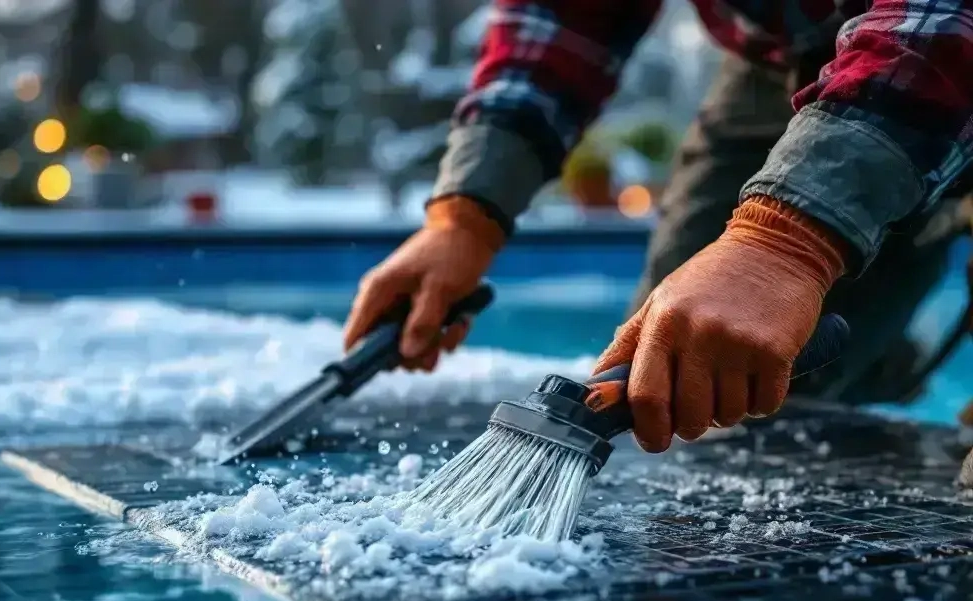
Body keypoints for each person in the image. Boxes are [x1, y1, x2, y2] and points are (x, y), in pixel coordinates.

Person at [344, 1, 973, 454]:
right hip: (793, 51)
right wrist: (467, 216)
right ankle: (879, 342)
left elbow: (944, 28)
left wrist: (783, 241)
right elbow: (564, 13)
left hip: (940, 26)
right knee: (691, 368)